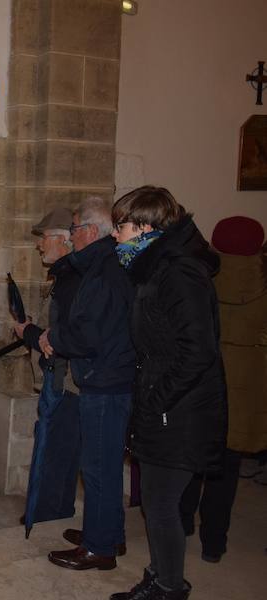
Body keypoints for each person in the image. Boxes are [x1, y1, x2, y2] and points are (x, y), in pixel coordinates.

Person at [108, 186, 226, 600]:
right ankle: (160, 578)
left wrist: (158, 402)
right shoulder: (154, 268)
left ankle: (170, 588)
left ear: (144, 226)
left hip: (181, 410)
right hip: (164, 403)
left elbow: (199, 351)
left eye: (119, 226)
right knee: (158, 504)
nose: (115, 235)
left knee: (159, 506)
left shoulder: (179, 271)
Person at [40, 196, 136, 571]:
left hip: (105, 381)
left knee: (98, 467)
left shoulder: (104, 271)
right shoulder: (104, 264)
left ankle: (100, 547)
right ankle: (108, 532)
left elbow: (89, 334)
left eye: (76, 229)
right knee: (103, 464)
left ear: (91, 232)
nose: (72, 236)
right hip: (107, 376)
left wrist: (54, 339)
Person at [179, 216, 266, 563]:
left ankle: (183, 524)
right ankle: (214, 544)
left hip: (201, 380)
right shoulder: (263, 281)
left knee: (189, 460)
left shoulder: (201, 276)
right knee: (226, 470)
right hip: (244, 388)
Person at [13, 208, 83, 528]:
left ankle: (43, 521)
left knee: (54, 457)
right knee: (62, 457)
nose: (39, 245)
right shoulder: (66, 274)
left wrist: (27, 332)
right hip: (66, 382)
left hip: (65, 384)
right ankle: (54, 517)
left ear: (63, 240)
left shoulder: (73, 278)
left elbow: (55, 338)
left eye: (43, 238)